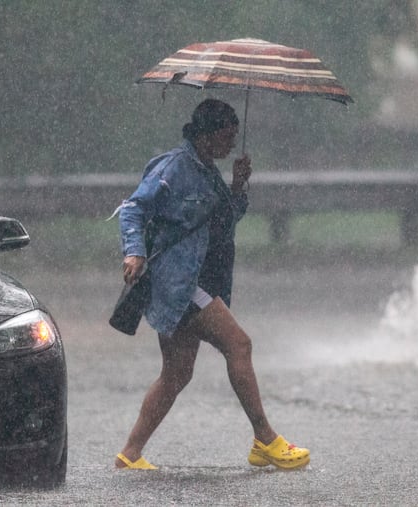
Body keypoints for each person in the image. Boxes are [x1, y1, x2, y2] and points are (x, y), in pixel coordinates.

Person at [114, 98, 309, 471]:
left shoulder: (208, 171)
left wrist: (238, 187)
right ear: (207, 134)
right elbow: (134, 208)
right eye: (227, 135)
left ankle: (130, 454)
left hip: (196, 282)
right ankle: (265, 440)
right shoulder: (175, 167)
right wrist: (134, 253)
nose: (233, 144)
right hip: (179, 284)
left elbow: (224, 223)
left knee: (176, 374)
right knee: (239, 344)